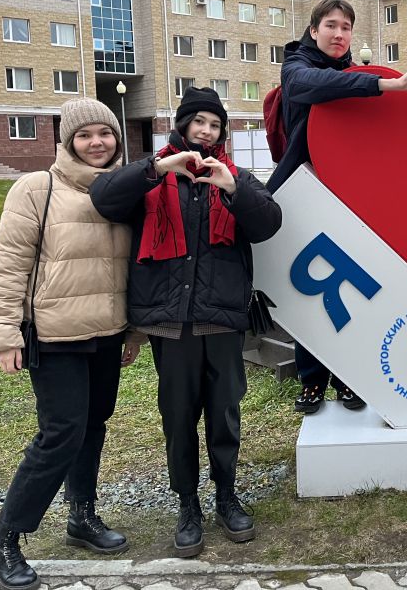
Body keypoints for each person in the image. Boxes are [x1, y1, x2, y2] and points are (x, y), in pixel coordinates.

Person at [89, 87, 282, 558]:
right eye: (198, 122)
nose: (206, 131)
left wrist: (231, 188)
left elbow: (269, 223)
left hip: (222, 322)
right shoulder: (152, 178)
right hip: (171, 324)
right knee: (178, 418)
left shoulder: (236, 177)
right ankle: (188, 505)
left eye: (215, 125)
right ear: (181, 126)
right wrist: (157, 168)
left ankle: (226, 496)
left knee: (224, 415)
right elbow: (105, 200)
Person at [0, 98, 138, 590]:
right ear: (67, 141)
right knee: (60, 434)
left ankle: (81, 516)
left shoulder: (122, 191)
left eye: (105, 134)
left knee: (93, 426)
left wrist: (133, 329)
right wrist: (4, 333)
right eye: (86, 135)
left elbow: (133, 269)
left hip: (107, 332)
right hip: (55, 335)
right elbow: (9, 265)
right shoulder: (35, 188)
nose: (97, 143)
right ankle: (4, 538)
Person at [267, 0, 407, 415]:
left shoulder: (355, 70)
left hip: (354, 194)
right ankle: (313, 380)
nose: (339, 34)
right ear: (314, 30)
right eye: (331, 25)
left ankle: (352, 380)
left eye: (347, 27)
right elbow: (309, 86)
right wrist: (382, 85)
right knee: (313, 288)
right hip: (306, 190)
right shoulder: (297, 66)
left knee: (360, 287)